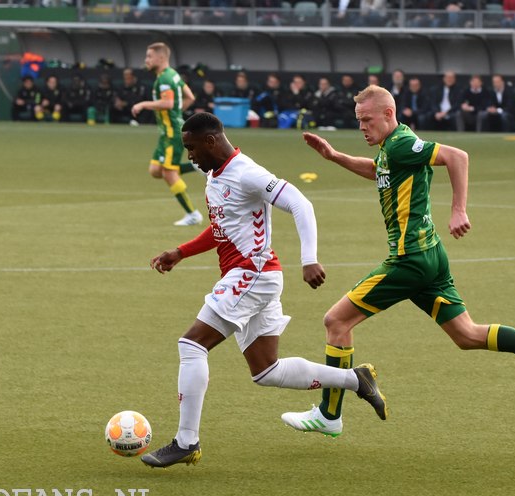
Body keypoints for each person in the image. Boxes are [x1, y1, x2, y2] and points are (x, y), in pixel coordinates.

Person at [281, 85, 515, 436]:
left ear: (389, 114)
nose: (362, 126)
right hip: (431, 257)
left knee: (336, 322)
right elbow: (380, 171)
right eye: (358, 120)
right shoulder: (394, 147)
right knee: (467, 335)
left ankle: (330, 416)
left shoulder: (402, 143)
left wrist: (458, 209)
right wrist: (335, 157)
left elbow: (457, 156)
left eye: (367, 119)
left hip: (410, 260)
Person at [140, 113, 387, 468]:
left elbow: (300, 203)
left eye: (192, 148)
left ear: (210, 141)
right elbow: (221, 226)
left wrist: (310, 258)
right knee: (266, 371)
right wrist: (181, 251)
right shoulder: (215, 175)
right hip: (256, 276)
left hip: (252, 273)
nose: (189, 156)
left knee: (192, 344)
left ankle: (186, 441)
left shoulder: (247, 172)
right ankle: (355, 378)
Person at [131, 42, 203, 226]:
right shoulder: (173, 75)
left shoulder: (164, 79)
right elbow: (190, 97)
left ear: (161, 57)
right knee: (155, 171)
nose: (146, 60)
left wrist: (143, 104)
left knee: (169, 173)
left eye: (149, 56)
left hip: (172, 133)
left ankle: (192, 214)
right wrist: (178, 114)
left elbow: (168, 104)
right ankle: (195, 167)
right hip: (167, 133)